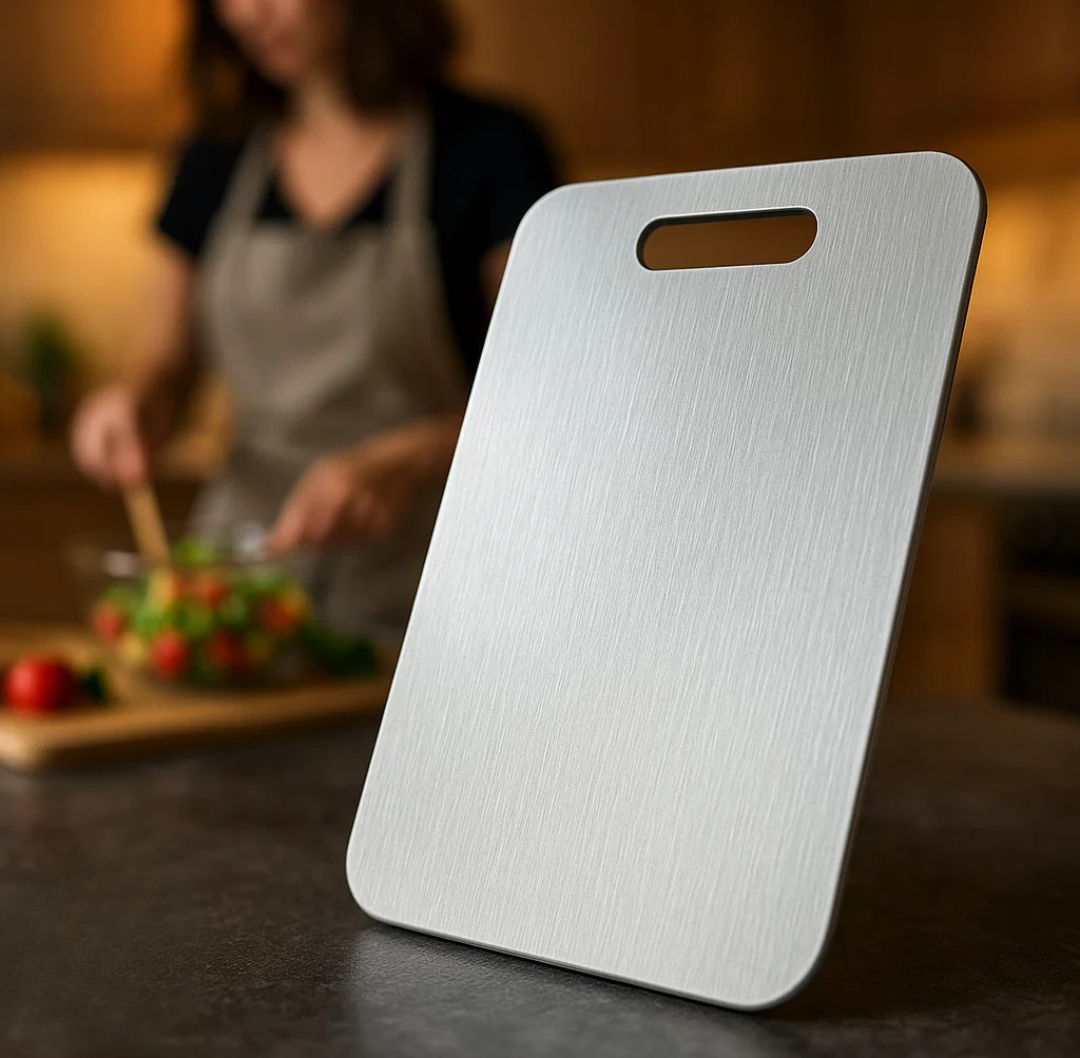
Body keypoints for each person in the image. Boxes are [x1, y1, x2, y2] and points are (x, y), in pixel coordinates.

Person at [70, 0, 558, 645]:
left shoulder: (489, 148)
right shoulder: (212, 156)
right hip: (239, 585)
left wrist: (406, 461)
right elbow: (166, 366)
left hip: (437, 582)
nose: (249, 14)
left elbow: (551, 397)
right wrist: (133, 407)